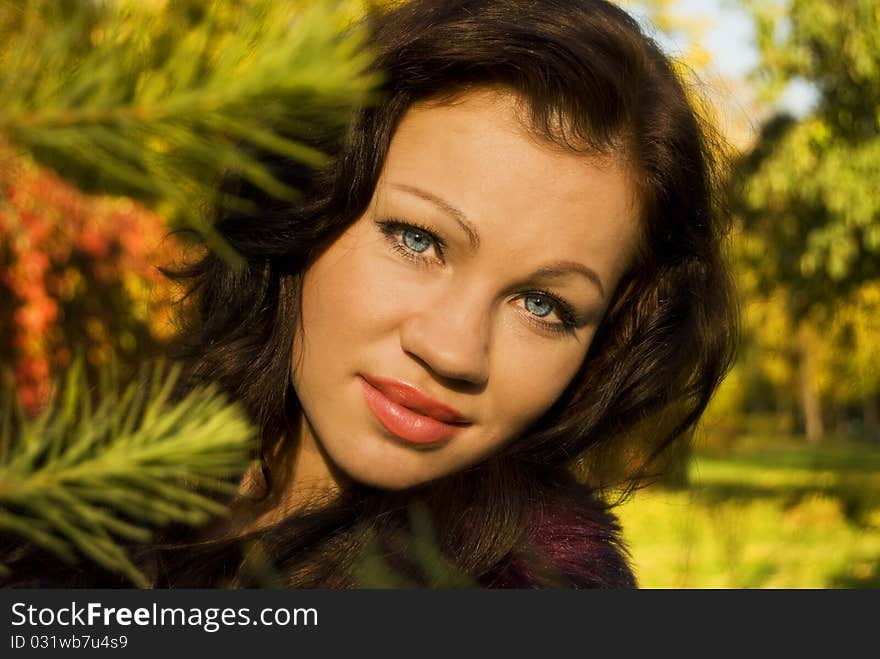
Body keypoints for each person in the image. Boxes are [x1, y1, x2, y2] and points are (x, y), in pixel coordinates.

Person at [4, 0, 738, 589]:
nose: (452, 350)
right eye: (419, 239)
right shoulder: (83, 475)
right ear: (311, 201)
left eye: (543, 305)